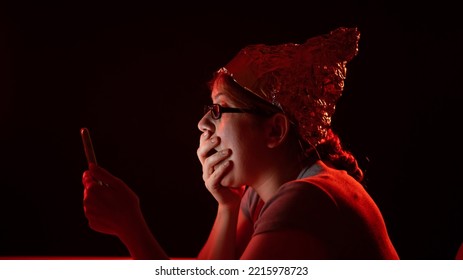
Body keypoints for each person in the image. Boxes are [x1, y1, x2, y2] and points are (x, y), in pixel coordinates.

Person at [82, 26, 399, 259]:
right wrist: (227, 205)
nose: (203, 124)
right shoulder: (259, 196)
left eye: (218, 110)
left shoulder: (305, 198)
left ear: (274, 131)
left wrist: (131, 227)